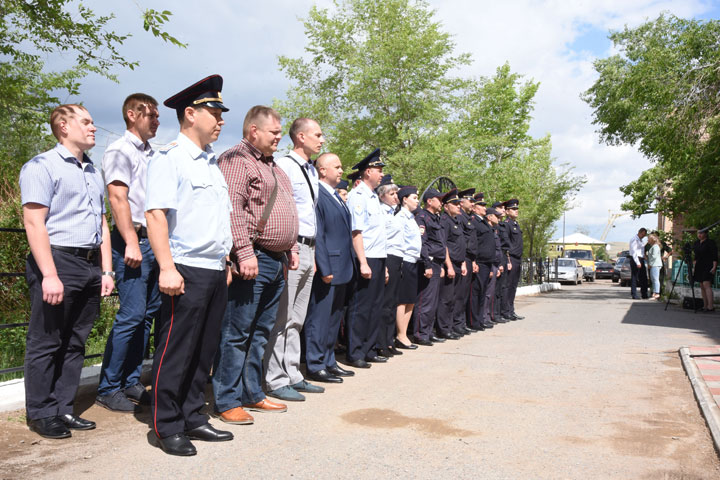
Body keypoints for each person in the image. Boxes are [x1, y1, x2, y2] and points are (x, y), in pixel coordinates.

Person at [144, 75, 234, 456]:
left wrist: (225, 260)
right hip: (184, 267)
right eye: (214, 111)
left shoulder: (211, 164)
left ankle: (194, 415)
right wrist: (166, 267)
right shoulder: (171, 158)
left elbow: (214, 220)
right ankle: (167, 425)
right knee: (176, 349)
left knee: (204, 348)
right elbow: (155, 215)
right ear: (190, 113)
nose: (220, 119)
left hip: (213, 268)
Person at [20, 104, 114, 440]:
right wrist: (49, 274)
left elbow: (101, 221)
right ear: (63, 126)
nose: (93, 128)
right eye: (86, 122)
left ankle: (63, 408)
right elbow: (34, 222)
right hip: (58, 261)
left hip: (90, 265)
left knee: (75, 341)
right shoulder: (42, 166)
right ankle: (41, 412)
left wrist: (106, 270)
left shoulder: (91, 171)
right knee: (46, 341)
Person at [212, 106, 299, 425]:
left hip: (276, 259)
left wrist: (290, 247)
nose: (279, 137)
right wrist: (244, 252)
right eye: (274, 132)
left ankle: (252, 392)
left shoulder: (273, 165)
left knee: (261, 330)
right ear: (253, 131)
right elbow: (233, 209)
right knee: (237, 331)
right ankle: (227, 399)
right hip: (254, 257)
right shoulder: (236, 160)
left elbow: (285, 207)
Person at [96, 93, 162, 413]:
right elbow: (117, 198)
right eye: (151, 114)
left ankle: (131, 381)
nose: (157, 120)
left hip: (151, 242)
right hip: (132, 242)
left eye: (158, 115)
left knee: (146, 316)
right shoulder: (120, 150)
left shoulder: (151, 154)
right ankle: (108, 387)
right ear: (131, 114)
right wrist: (131, 241)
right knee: (132, 315)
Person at [263, 118, 324, 402]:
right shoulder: (285, 166)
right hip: (293, 247)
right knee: (283, 316)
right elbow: (281, 209)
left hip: (310, 247)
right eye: (317, 135)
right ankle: (275, 379)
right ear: (300, 137)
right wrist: (290, 247)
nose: (322, 140)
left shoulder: (310, 170)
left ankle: (293, 373)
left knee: (298, 317)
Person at [304, 153, 356, 383]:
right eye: (337, 166)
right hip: (329, 267)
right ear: (322, 170)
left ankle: (329, 360)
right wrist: (324, 267)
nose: (341, 170)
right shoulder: (318, 194)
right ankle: (315, 364)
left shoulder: (335, 196)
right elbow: (320, 234)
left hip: (342, 265)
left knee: (334, 318)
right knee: (320, 318)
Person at [344, 148, 388, 367]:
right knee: (360, 306)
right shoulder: (358, 196)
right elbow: (356, 232)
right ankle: (355, 351)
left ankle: (369, 348)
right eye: (378, 170)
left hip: (379, 256)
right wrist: (362, 262)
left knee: (375, 305)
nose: (381, 174)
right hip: (366, 256)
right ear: (368, 171)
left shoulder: (373, 197)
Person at [412, 188, 447, 346]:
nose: (441, 203)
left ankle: (428, 331)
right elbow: (422, 243)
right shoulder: (422, 217)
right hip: (429, 262)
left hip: (437, 262)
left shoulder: (435, 218)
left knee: (433, 301)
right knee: (425, 300)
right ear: (429, 201)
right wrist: (427, 264)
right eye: (439, 199)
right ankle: (420, 333)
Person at [377, 175, 403, 358]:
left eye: (396, 193)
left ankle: (389, 339)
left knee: (392, 303)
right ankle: (381, 342)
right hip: (387, 257)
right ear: (382, 195)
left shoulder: (393, 212)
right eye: (392, 193)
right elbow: (382, 240)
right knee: (385, 304)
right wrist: (385, 265)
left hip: (397, 258)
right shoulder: (380, 212)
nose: (396, 197)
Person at [437, 189, 467, 340]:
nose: (458, 206)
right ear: (446, 206)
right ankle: (443, 329)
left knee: (455, 297)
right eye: (454, 204)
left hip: (458, 263)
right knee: (446, 299)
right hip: (449, 264)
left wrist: (462, 263)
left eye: (458, 203)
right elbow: (444, 245)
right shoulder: (445, 221)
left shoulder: (456, 221)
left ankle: (452, 326)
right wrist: (448, 265)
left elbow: (459, 245)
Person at [394, 186, 421, 349]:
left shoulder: (411, 217)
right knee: (402, 300)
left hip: (413, 260)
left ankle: (403, 334)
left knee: (410, 299)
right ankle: (401, 334)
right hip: (404, 259)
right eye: (414, 197)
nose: (417, 200)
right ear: (404, 199)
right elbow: (400, 240)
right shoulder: (400, 217)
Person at [470, 193, 495, 330]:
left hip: (487, 262)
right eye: (482, 205)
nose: (485, 208)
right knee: (476, 292)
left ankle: (479, 319)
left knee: (482, 292)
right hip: (479, 262)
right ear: (474, 207)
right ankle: (474, 321)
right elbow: (474, 243)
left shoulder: (484, 222)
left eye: (485, 205)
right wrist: (474, 261)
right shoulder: (474, 221)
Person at [456, 188, 478, 335]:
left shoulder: (468, 218)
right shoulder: (461, 217)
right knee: (459, 294)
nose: (472, 204)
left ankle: (461, 323)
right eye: (470, 201)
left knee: (464, 294)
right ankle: (457, 324)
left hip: (470, 258)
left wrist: (474, 260)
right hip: (463, 258)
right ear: (462, 201)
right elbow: (462, 241)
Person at [502, 198, 524, 320]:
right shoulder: (507, 225)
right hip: (512, 259)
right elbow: (507, 245)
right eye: (513, 209)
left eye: (517, 209)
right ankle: (506, 311)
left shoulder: (516, 224)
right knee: (508, 286)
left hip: (518, 258)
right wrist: (509, 260)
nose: (516, 211)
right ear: (507, 211)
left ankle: (511, 310)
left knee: (513, 286)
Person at [483, 207, 504, 326]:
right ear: (489, 217)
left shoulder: (494, 230)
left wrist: (499, 264)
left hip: (495, 264)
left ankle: (488, 316)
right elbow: (489, 250)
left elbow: (498, 249)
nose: (499, 218)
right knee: (486, 293)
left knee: (490, 293)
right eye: (496, 216)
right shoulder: (488, 230)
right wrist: (492, 267)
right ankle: (484, 317)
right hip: (490, 264)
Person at [492, 201, 511, 323]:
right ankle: (494, 314)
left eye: (504, 208)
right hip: (497, 257)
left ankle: (499, 313)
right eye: (500, 208)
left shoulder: (502, 225)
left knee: (502, 287)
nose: (503, 210)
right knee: (496, 288)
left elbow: (505, 246)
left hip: (503, 256)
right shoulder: (494, 226)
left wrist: (507, 260)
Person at [693, 229, 717, 312]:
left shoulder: (710, 243)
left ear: (706, 233)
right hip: (699, 266)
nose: (699, 235)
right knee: (701, 285)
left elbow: (714, 255)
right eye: (698, 233)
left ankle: (711, 306)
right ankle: (705, 306)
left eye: (701, 233)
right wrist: (694, 267)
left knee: (706, 284)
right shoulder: (696, 243)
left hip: (708, 265)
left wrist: (714, 267)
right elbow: (695, 257)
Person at [629, 228, 649, 299]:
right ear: (639, 232)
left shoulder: (640, 240)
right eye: (643, 234)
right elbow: (634, 252)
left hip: (641, 259)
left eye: (644, 235)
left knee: (643, 277)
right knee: (634, 277)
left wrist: (644, 257)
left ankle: (644, 294)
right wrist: (637, 262)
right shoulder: (634, 239)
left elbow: (641, 251)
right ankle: (634, 294)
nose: (643, 236)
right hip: (635, 259)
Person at [646, 234, 663, 300]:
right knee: (653, 279)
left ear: (652, 240)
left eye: (648, 239)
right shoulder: (653, 246)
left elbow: (654, 257)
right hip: (654, 264)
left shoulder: (655, 247)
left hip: (655, 265)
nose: (647, 240)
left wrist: (650, 264)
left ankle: (657, 293)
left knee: (655, 279)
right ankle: (654, 293)